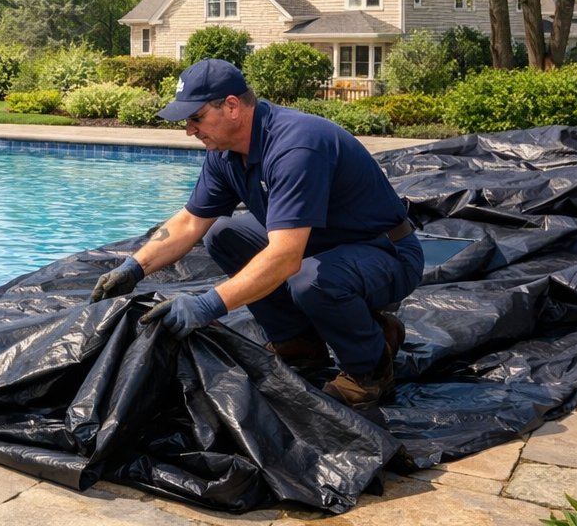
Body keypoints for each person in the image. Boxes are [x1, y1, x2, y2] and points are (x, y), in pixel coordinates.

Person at [91, 58, 424, 409]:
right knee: (223, 234)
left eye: (196, 118)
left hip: (384, 252)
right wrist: (133, 267)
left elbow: (284, 256)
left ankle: (370, 367)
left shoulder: (295, 147)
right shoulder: (226, 152)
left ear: (232, 106)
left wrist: (207, 305)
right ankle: (299, 344)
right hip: (321, 244)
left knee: (311, 280)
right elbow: (190, 222)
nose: (189, 130)